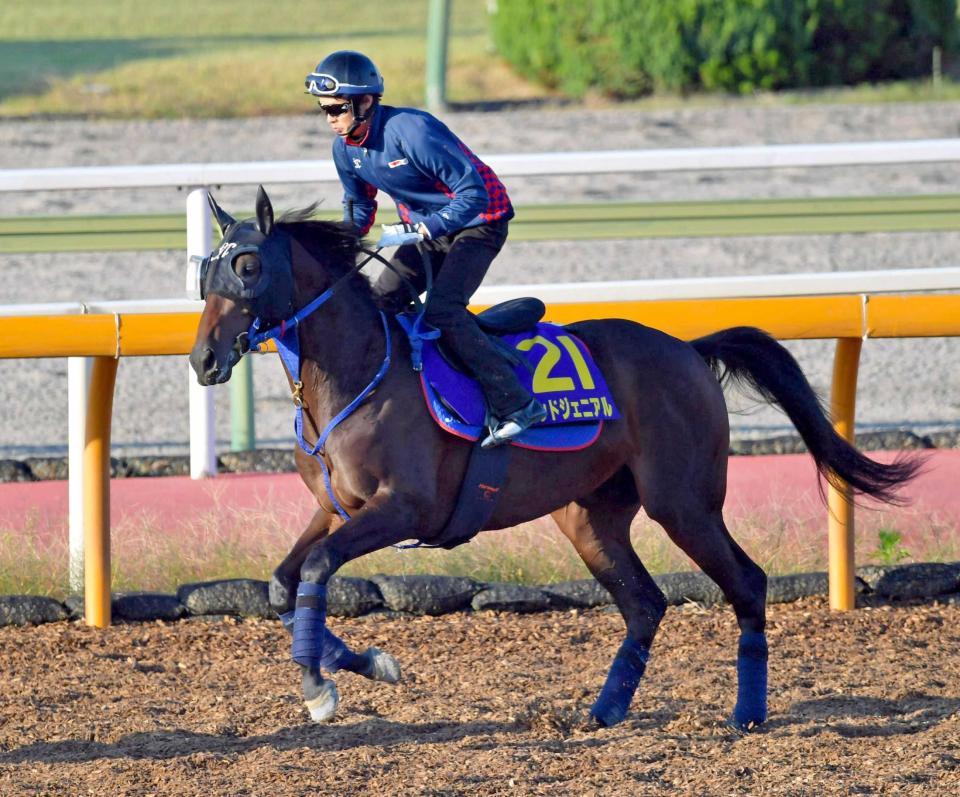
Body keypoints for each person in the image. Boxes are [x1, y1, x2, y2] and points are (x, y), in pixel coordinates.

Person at [305, 49, 546, 448]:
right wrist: (341, 247)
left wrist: (423, 227)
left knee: (443, 310)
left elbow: (475, 194)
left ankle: (516, 404)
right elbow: (361, 203)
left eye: (336, 108)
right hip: (425, 231)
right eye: (324, 111)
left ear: (365, 102)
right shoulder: (344, 149)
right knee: (379, 302)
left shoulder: (411, 130)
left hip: (480, 223)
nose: (330, 119)